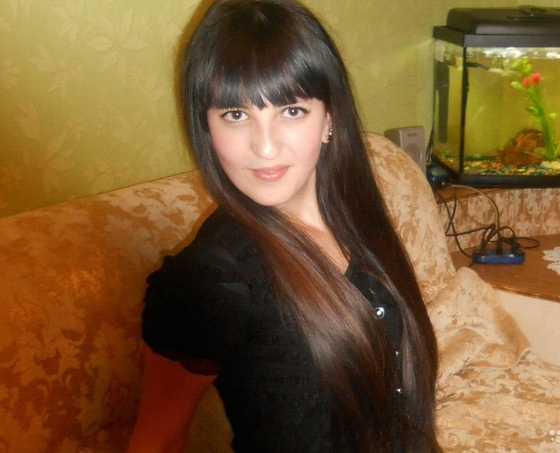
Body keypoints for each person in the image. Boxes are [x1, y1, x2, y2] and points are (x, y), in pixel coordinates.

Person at [128, 0, 441, 451]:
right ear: (206, 129)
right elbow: (155, 442)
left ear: (330, 118)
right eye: (236, 115)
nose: (266, 147)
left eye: (291, 110)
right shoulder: (211, 279)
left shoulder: (354, 210)